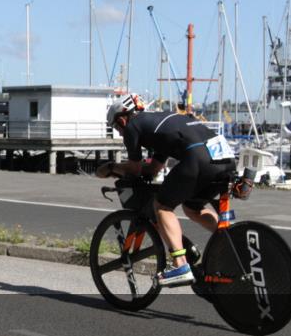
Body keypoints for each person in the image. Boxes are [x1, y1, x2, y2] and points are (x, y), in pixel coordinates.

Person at [96, 93, 237, 286]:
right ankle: (231, 243)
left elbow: (135, 169)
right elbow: (154, 168)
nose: (120, 133)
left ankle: (181, 266)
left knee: (162, 205)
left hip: (198, 159)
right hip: (226, 159)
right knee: (192, 208)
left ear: (122, 118)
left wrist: (111, 168)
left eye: (116, 127)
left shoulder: (132, 127)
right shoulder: (162, 121)